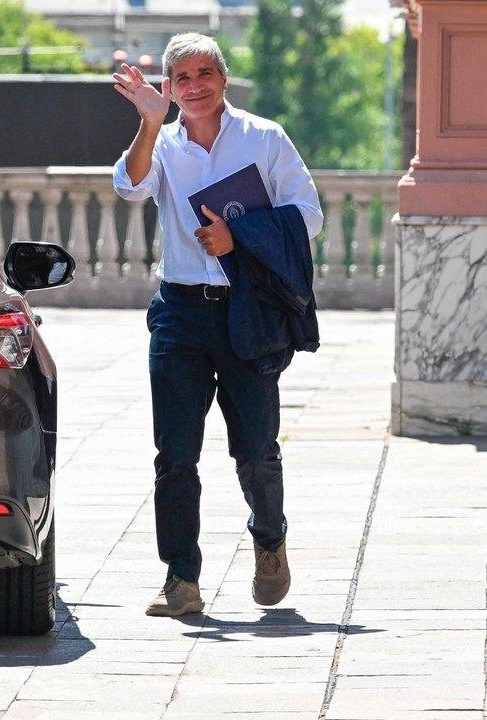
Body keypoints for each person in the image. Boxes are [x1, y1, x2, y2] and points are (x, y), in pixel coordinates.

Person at [111, 33, 324, 616]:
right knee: (175, 452)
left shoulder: (265, 138)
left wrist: (241, 237)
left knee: (255, 448)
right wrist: (150, 123)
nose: (196, 86)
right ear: (169, 89)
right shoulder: (163, 142)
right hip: (180, 311)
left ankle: (270, 536)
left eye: (206, 73)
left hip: (246, 310)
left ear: (223, 79)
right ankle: (181, 578)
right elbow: (129, 186)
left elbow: (309, 215)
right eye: (182, 78)